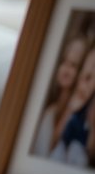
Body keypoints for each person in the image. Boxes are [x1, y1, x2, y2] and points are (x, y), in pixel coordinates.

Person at [31, 29, 91, 157]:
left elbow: (49, 150)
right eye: (65, 61)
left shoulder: (78, 114)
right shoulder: (50, 109)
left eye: (74, 65)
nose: (66, 69)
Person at [50, 45, 95, 167]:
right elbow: (53, 141)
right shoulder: (72, 104)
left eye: (90, 77)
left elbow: (90, 152)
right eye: (84, 72)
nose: (84, 79)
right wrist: (71, 108)